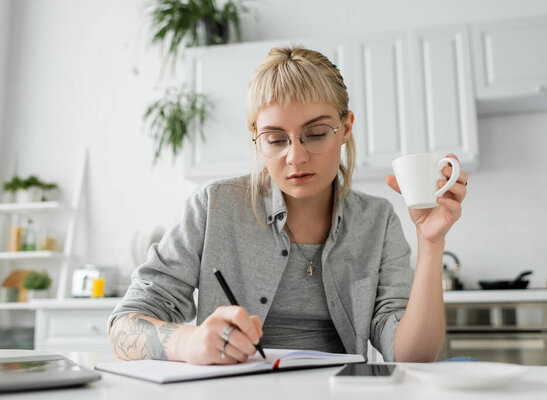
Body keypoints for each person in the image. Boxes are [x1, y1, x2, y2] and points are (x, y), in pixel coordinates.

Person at [108, 46, 469, 365]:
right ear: (256, 139)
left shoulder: (377, 220)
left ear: (345, 128)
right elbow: (124, 325)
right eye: (276, 139)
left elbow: (413, 356)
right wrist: (189, 341)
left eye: (315, 133)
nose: (295, 157)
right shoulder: (213, 207)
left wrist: (431, 242)